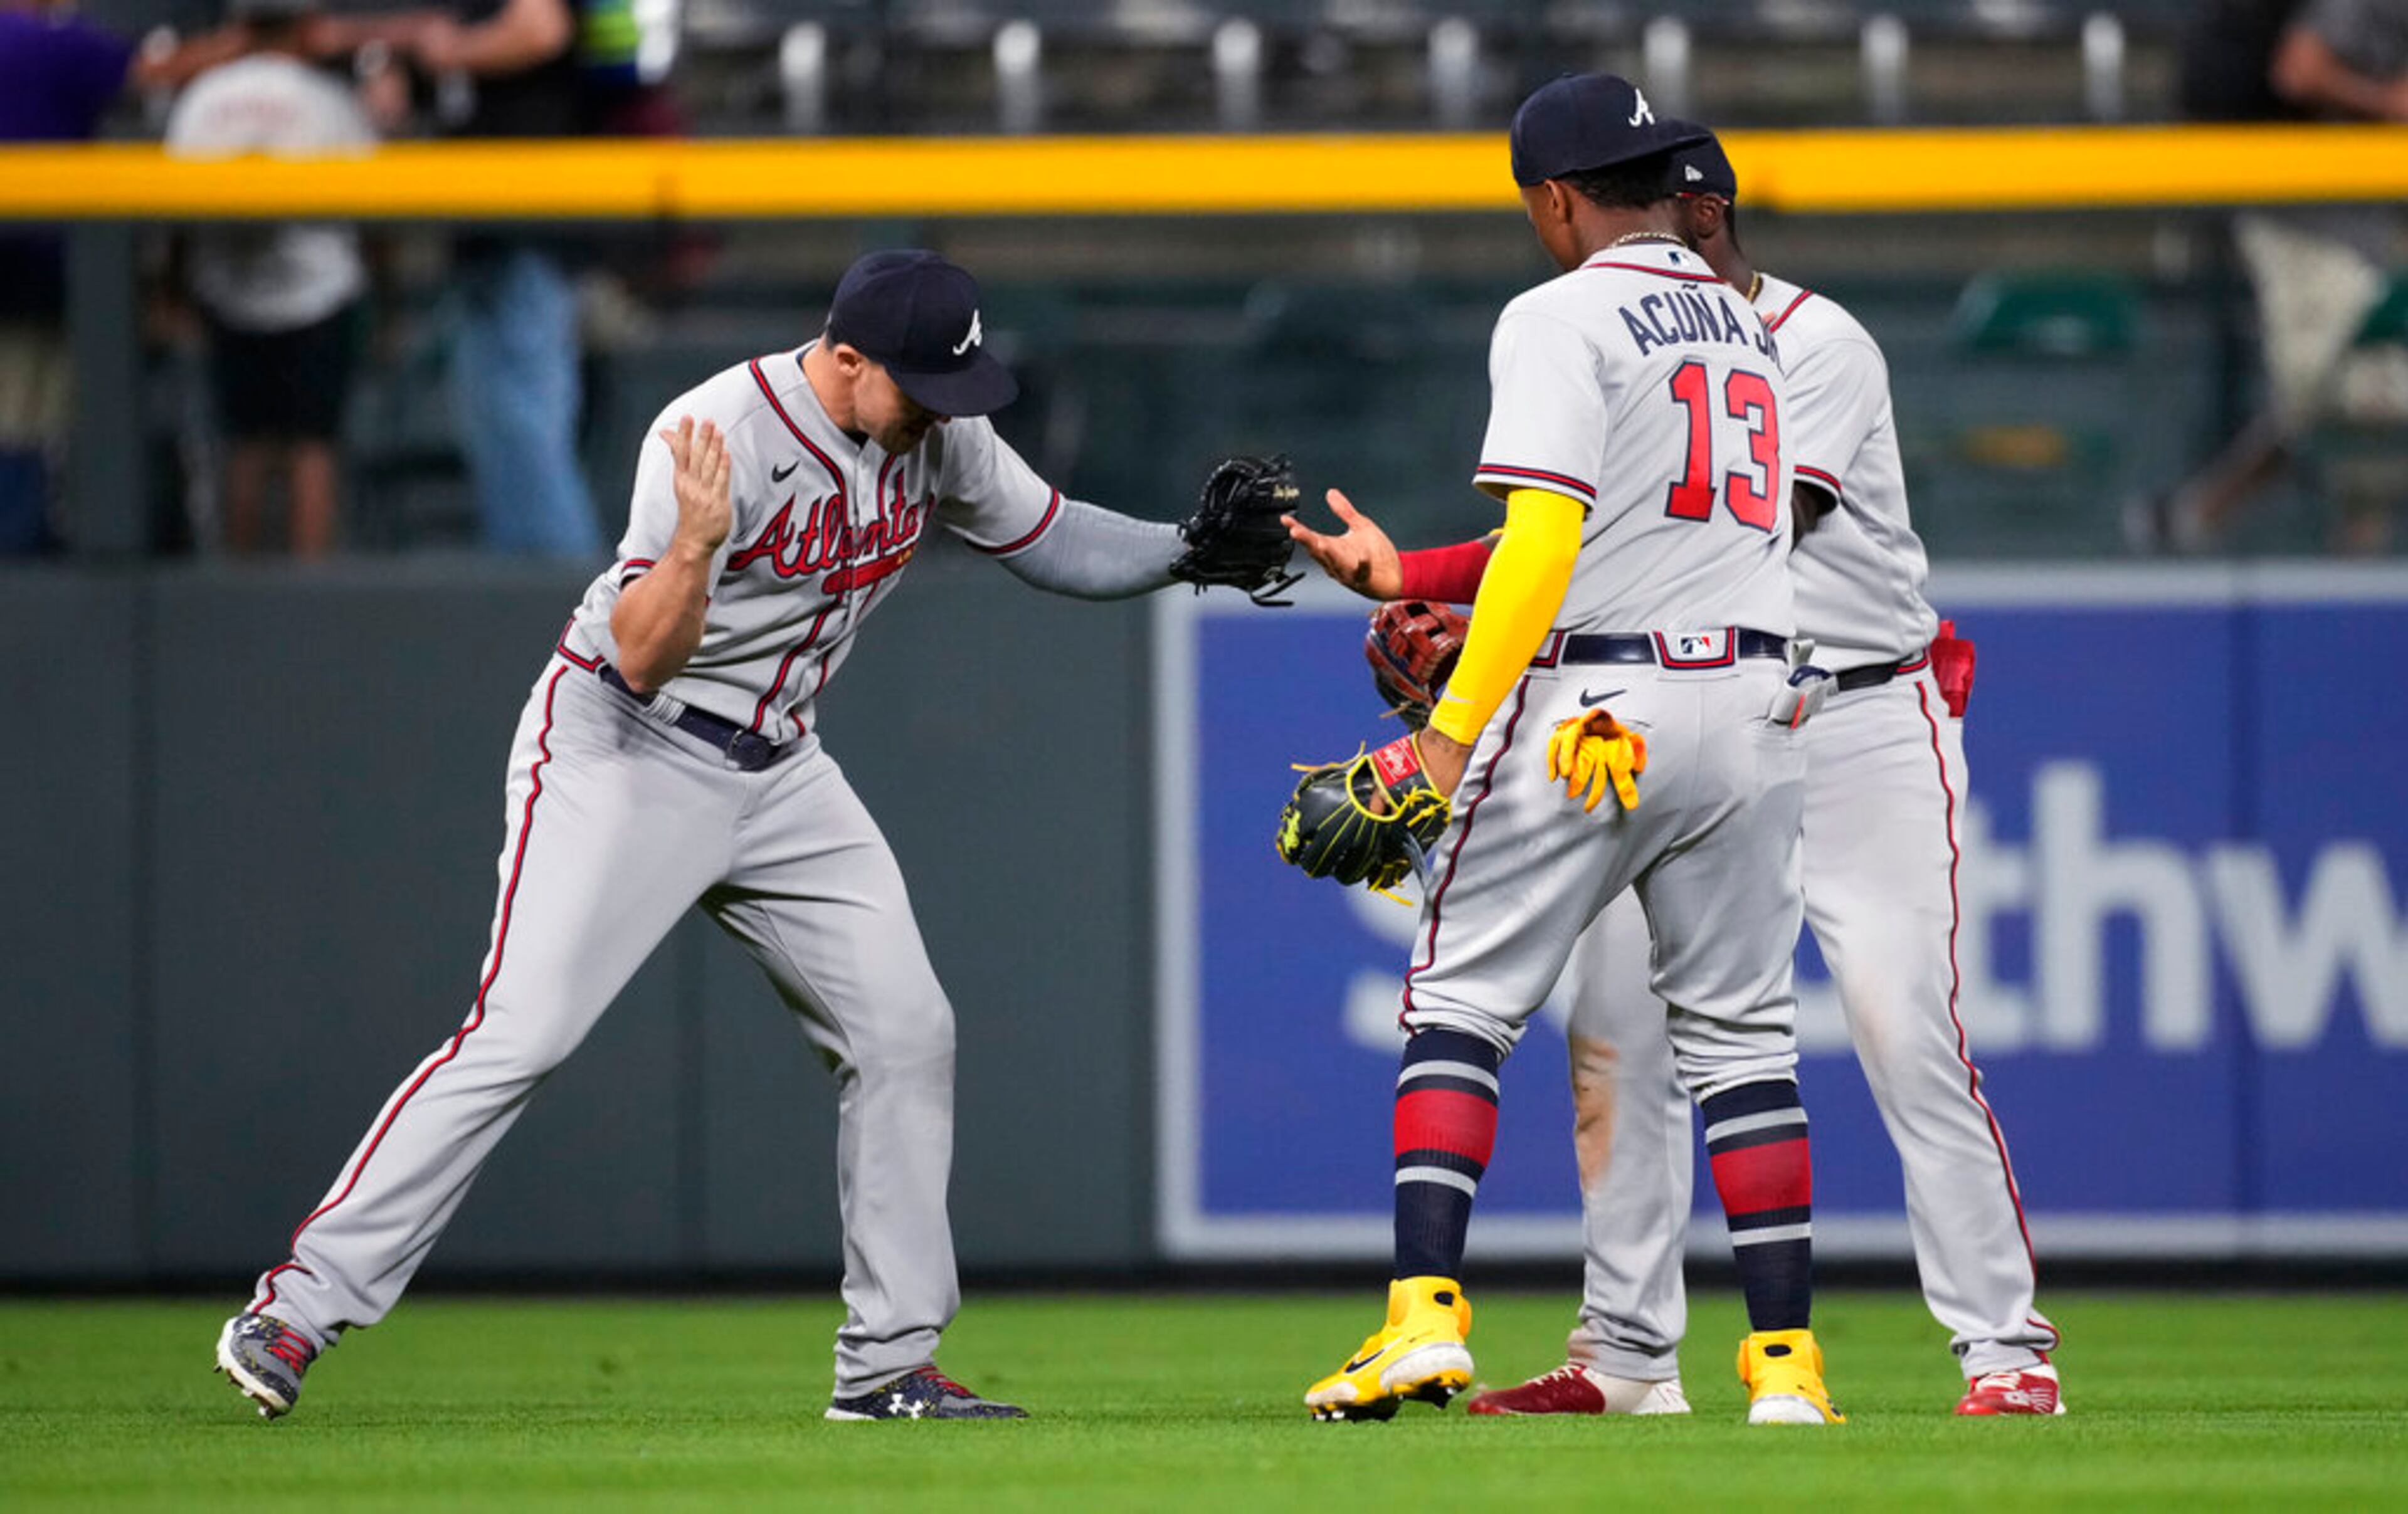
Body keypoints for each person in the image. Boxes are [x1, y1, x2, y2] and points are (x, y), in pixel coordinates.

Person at [214, 250, 1284, 1422]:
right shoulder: (714, 429)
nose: (942, 405)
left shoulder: (938, 429)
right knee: (519, 1036)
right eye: (920, 380)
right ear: (843, 356)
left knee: (906, 1031)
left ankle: (887, 1368)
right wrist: (694, 549)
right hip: (626, 745)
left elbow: (1048, 538)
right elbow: (639, 654)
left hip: (783, 770)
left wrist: (1183, 548)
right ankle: (296, 1309)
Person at [1336, 132, 2062, 1421]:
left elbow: (1713, 536)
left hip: (1854, 718)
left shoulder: (1809, 342)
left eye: (1680, 196)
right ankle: (1626, 1356)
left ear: (1706, 207)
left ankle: (2005, 1349)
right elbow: (1607, 531)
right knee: (1614, 1032)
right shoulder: (1662, 335)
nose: (1663, 218)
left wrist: (1488, 651)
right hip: (1715, 709)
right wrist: (1421, 579)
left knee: (1904, 1030)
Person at [1283, 75, 1839, 1427]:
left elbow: (1546, 542)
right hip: (1756, 713)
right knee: (1746, 1045)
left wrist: (1450, 739)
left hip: (1606, 717)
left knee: (1461, 1001)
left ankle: (1422, 1322)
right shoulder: (1747, 326)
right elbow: (1610, 521)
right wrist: (1407, 565)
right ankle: (1787, 1374)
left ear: (1553, 197)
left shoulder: (1556, 312)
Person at [318, 0, 601, 554]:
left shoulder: (504, 24)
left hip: (532, 232)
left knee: (524, 426)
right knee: (495, 427)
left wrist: (450, 52)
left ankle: (577, 603)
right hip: (486, 240)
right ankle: (539, 595)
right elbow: (428, 37)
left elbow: (541, 29)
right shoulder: (470, 16)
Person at [2138, 0, 2408, 555]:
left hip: (2359, 222)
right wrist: (2386, 100)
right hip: (2303, 216)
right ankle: (2208, 512)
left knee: (2357, 389)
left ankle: (2215, 511)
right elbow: (2300, 68)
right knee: (2338, 394)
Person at [0, 0, 245, 550]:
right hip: (39, 274)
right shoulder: (51, 42)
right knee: (32, 435)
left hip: (33, 276)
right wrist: (252, 42)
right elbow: (158, 69)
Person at [165, 0, 378, 559]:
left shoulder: (203, 97)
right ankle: (311, 599)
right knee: (313, 447)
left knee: (247, 446)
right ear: (307, 27)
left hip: (229, 292)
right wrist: (388, 298)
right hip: (319, 292)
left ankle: (241, 589)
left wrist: (172, 288)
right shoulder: (327, 97)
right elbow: (378, 213)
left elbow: (171, 214)